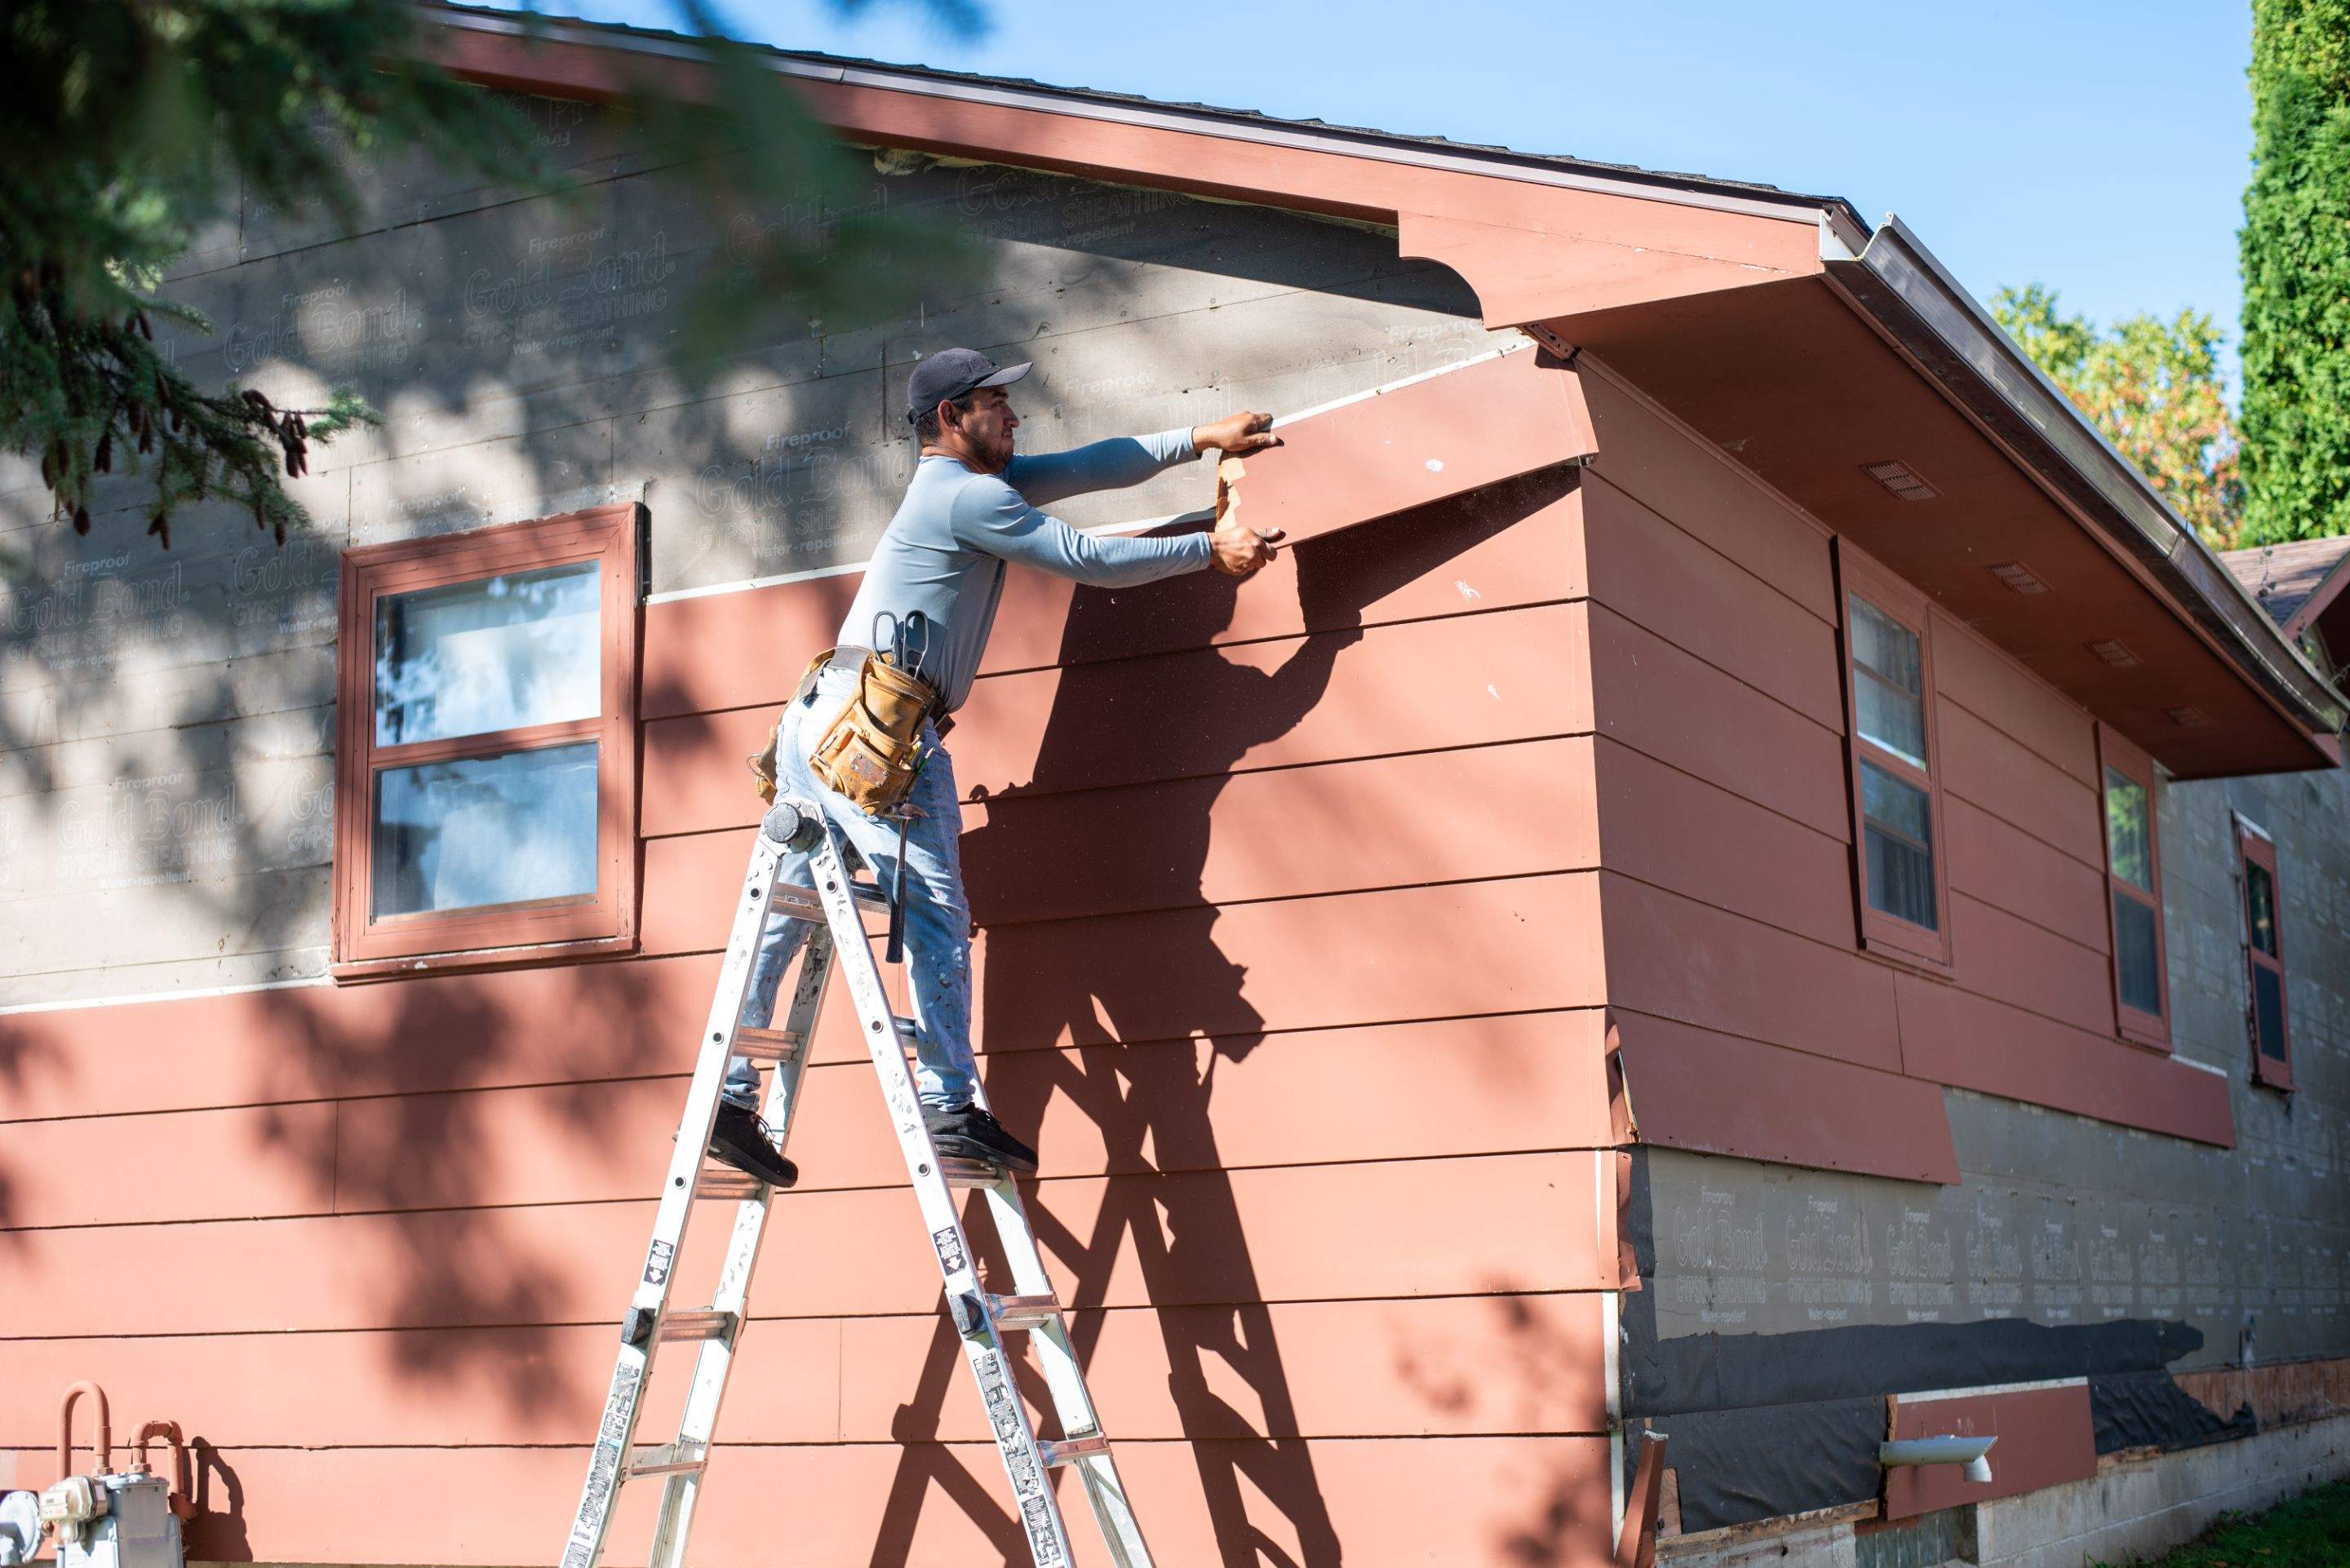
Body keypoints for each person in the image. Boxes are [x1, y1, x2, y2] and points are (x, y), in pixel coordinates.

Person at [707, 347, 1285, 1186]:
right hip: (881, 726)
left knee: (792, 914)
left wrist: (1200, 436)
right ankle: (949, 1106)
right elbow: (1086, 557)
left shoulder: (969, 489)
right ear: (951, 417)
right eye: (996, 403)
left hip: (826, 717)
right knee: (938, 911)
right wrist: (1209, 551)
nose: (1015, 416)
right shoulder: (969, 496)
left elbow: (1091, 466)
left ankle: (729, 1099)